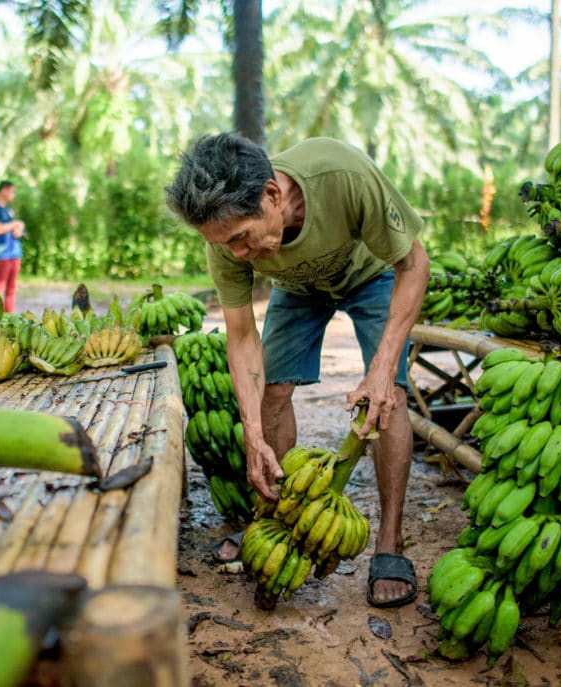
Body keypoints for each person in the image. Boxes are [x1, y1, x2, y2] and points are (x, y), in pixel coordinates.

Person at [165, 134, 430, 608]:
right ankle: (273, 520)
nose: (237, 254)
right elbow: (243, 337)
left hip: (373, 275)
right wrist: (251, 434)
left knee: (388, 399)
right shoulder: (223, 241)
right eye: (225, 245)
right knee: (270, 396)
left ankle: (389, 541)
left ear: (271, 195)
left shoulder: (341, 176)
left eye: (242, 238)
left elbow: (414, 262)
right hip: (298, 288)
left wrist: (382, 367)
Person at [0, 180, 24, 313]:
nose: (13, 194)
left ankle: (9, 316)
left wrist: (19, 228)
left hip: (14, 252)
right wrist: (14, 225)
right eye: (12, 191)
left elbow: (12, 228)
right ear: (3, 190)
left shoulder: (8, 210)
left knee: (11, 288)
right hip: (1, 254)